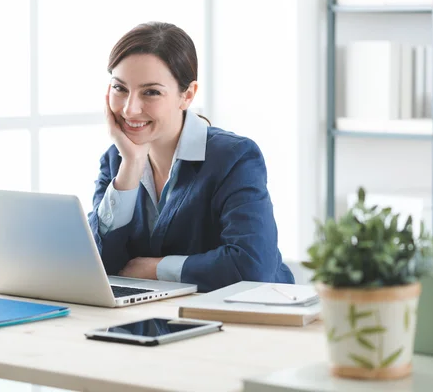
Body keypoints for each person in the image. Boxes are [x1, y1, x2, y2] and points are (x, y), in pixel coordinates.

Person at [87, 22, 294, 292]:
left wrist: (155, 269)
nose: (130, 108)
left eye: (151, 92)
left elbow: (252, 267)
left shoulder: (234, 158)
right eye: (120, 88)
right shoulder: (116, 160)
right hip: (160, 318)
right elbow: (98, 264)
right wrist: (131, 167)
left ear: (187, 95)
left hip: (248, 320)